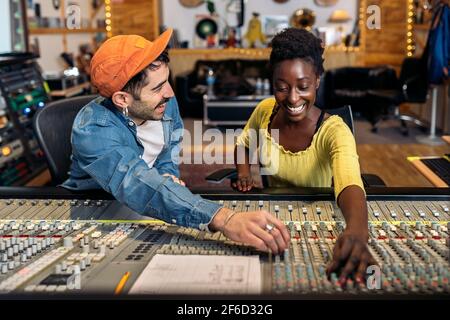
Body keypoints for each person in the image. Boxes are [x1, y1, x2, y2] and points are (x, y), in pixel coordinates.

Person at [62, 29, 290, 254]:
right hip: (99, 214)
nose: (170, 93)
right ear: (123, 99)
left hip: (152, 201)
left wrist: (167, 173)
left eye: (166, 81)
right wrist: (224, 218)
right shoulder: (93, 129)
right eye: (158, 87)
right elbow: (136, 181)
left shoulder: (164, 103)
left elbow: (167, 151)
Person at [233, 28, 376, 283]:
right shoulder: (265, 110)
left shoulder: (335, 131)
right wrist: (244, 172)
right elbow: (244, 143)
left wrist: (356, 231)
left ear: (318, 80)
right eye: (282, 87)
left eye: (303, 86)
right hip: (273, 221)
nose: (293, 98)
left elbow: (350, 181)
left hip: (317, 219)